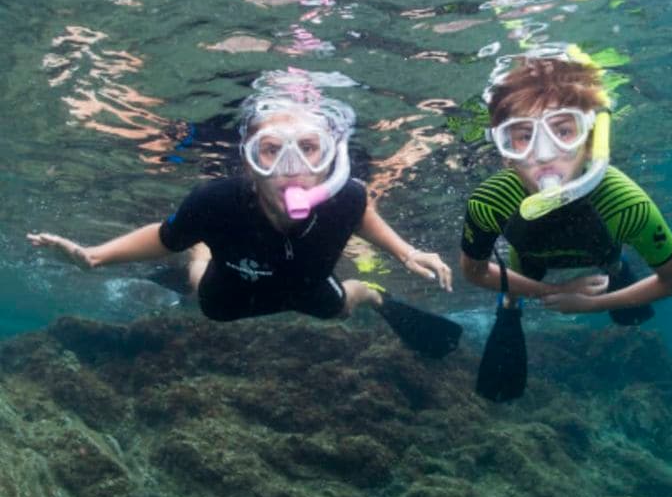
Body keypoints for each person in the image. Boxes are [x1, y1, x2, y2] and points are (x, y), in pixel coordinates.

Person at [28, 83, 452, 324]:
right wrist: (95, 257)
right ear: (249, 162)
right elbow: (165, 238)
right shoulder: (215, 202)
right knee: (203, 294)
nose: (291, 168)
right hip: (231, 292)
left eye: (309, 148)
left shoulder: (349, 195)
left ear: (330, 160)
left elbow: (362, 216)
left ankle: (372, 295)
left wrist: (406, 252)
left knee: (339, 309)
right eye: (271, 150)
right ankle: (203, 250)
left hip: (308, 287)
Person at [460, 50, 672, 323]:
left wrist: (593, 304)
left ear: (589, 143)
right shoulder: (489, 203)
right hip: (528, 260)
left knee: (612, 265)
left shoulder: (627, 205)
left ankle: (614, 270)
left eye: (563, 131)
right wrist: (553, 291)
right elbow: (474, 271)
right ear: (505, 152)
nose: (544, 154)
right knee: (515, 288)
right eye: (524, 136)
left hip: (602, 253)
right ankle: (511, 302)